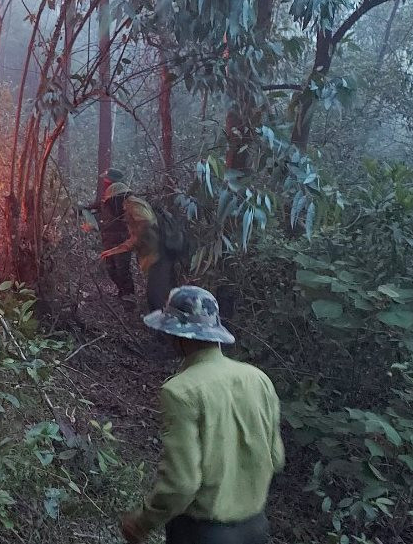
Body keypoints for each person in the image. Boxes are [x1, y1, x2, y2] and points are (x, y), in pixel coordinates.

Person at [119, 286, 284, 544]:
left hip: (204, 534)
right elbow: (276, 458)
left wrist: (142, 522)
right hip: (256, 529)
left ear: (179, 337)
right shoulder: (258, 379)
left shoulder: (180, 391)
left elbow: (181, 484)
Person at [99, 181, 174, 311]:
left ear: (117, 198)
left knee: (156, 294)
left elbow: (146, 228)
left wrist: (123, 246)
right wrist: (114, 250)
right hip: (151, 255)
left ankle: (160, 322)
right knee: (156, 292)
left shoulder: (134, 205)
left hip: (158, 255)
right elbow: (137, 237)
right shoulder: (130, 205)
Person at [91, 167, 135, 298]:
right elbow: (99, 205)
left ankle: (129, 298)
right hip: (108, 239)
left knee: (122, 270)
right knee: (111, 269)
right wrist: (82, 209)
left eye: (106, 179)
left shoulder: (125, 197)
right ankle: (122, 292)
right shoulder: (108, 196)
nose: (104, 181)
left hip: (122, 239)